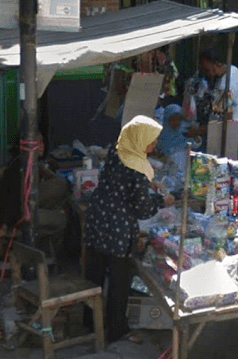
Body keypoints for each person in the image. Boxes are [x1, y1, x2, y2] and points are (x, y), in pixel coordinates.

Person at [84, 116, 174, 344]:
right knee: (118, 279)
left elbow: (121, 180)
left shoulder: (119, 151)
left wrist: (148, 183)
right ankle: (116, 330)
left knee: (94, 273)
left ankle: (89, 322)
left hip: (97, 218)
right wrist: (163, 202)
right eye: (151, 141)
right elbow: (143, 209)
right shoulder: (136, 166)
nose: (154, 146)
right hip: (117, 227)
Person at [0, 132, 74, 250]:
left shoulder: (31, 162)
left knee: (62, 184)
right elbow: (9, 199)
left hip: (30, 201)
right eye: (38, 142)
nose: (42, 145)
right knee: (61, 220)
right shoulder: (17, 167)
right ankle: (44, 245)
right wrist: (4, 225)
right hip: (20, 216)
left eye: (42, 142)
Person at [199, 49, 238, 159]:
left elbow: (223, 117)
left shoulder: (228, 80)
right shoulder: (226, 75)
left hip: (230, 138)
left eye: (207, 69)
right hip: (229, 135)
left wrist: (198, 130)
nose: (206, 72)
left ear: (216, 64)